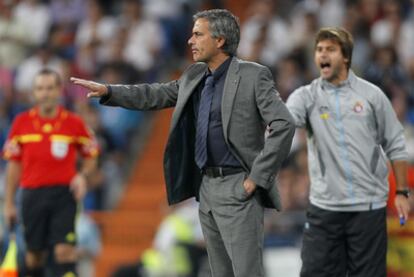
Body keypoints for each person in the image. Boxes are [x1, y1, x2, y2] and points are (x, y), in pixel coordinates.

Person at [71, 9, 295, 277]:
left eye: (198, 34)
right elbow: (155, 94)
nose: (190, 41)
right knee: (220, 272)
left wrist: (257, 177)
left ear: (220, 40)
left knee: (246, 272)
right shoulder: (195, 75)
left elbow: (284, 123)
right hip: (206, 188)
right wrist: (110, 91)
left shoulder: (252, 76)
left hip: (239, 185)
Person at [286, 27, 411, 277]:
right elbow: (283, 124)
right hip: (325, 208)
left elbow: (396, 144)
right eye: (319, 50)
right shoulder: (305, 97)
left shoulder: (372, 96)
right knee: (313, 272)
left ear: (345, 57)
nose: (323, 54)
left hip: (368, 208)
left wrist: (401, 192)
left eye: (330, 49)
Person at [2, 69, 98, 277]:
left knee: (65, 251)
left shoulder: (74, 123)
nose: (45, 93)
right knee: (34, 256)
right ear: (34, 93)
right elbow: (13, 165)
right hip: (32, 195)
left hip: (64, 195)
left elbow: (91, 154)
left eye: (49, 88)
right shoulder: (21, 123)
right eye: (40, 88)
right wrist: (9, 203)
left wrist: (82, 176)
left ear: (59, 91)